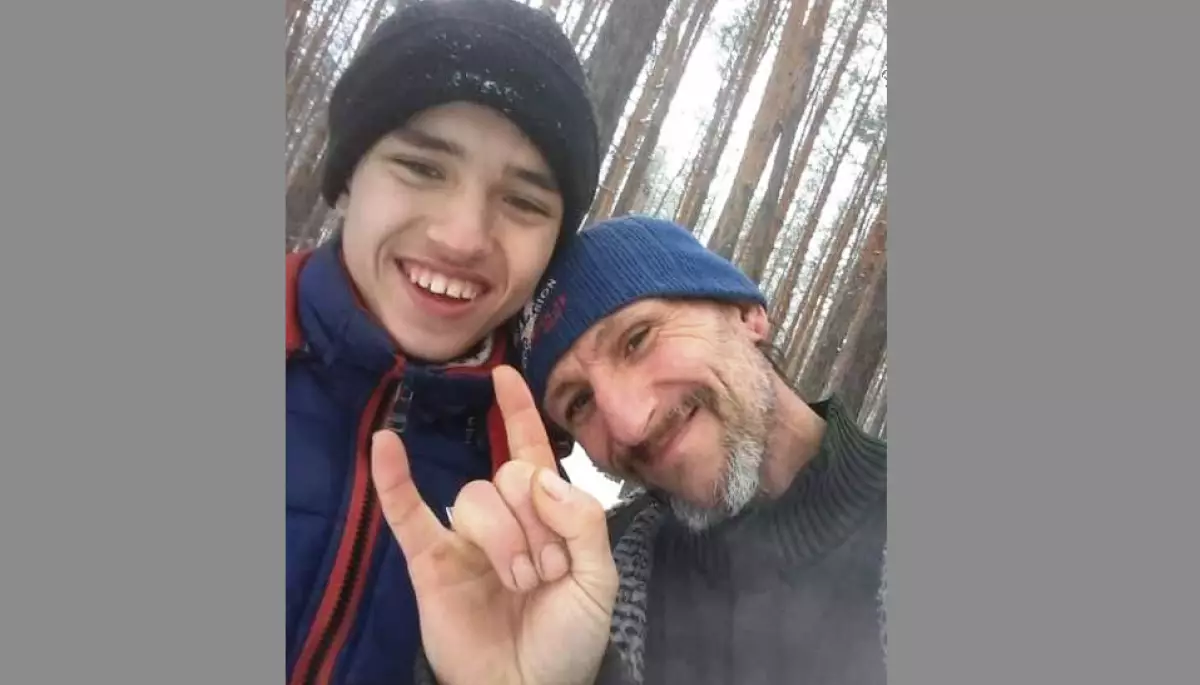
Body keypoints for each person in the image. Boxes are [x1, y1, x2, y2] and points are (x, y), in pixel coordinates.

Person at [373, 215, 887, 685]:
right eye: (579, 403)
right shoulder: (584, 585)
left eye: (637, 340)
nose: (629, 424)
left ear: (746, 314)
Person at [285, 1, 599, 683]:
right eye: (422, 167)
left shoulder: (532, 503)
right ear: (349, 175)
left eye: (524, 202)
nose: (463, 237)